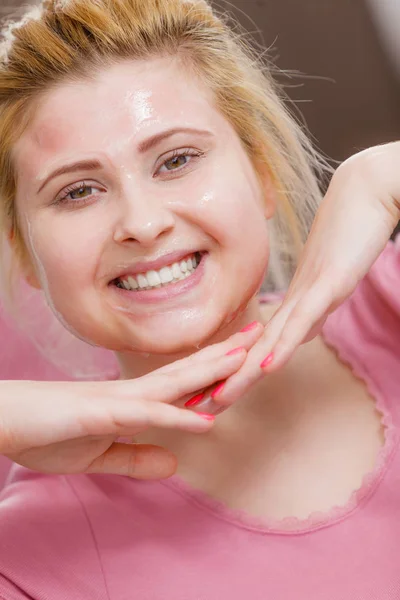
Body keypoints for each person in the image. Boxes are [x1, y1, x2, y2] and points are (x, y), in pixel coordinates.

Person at [0, 0, 399, 597]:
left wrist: (384, 175)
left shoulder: (390, 299)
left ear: (261, 173)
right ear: (26, 254)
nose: (142, 222)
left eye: (177, 159)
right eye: (78, 191)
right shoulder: (32, 548)